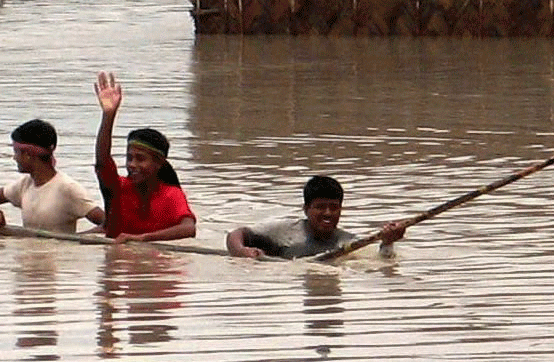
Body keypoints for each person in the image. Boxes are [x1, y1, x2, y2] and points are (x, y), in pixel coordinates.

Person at [92, 72, 196, 243]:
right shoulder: (119, 188)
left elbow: (188, 228)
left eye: (140, 159)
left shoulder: (171, 195)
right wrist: (108, 116)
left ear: (159, 163)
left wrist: (143, 238)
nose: (132, 165)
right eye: (129, 158)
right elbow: (102, 161)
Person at [225, 175, 408, 260]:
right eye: (320, 207)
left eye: (334, 208)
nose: (328, 214)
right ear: (306, 209)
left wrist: (388, 243)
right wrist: (242, 251)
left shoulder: (348, 241)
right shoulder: (284, 231)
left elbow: (382, 263)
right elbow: (236, 234)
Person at [0, 118, 105, 234]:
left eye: (16, 152)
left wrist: (80, 238)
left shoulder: (68, 189)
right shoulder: (24, 185)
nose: (14, 158)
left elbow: (108, 224)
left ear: (28, 154)